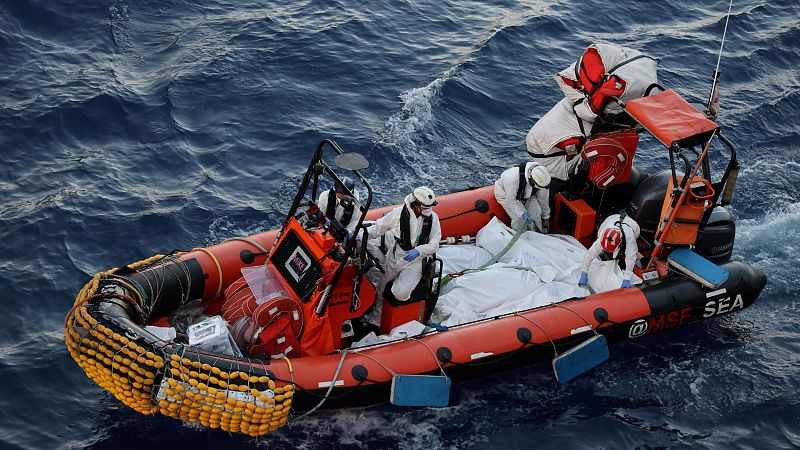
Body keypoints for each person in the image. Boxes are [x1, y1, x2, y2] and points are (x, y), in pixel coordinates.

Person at [363, 186, 441, 326]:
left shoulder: (433, 219)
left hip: (416, 261)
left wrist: (419, 251)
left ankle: (402, 285)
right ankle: (375, 320)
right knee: (381, 287)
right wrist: (361, 236)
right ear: (416, 204)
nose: (426, 211)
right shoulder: (398, 214)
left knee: (401, 294)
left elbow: (435, 244)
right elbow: (378, 228)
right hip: (396, 256)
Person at [578, 212, 641, 289]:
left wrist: (627, 278)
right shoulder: (602, 237)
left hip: (631, 225)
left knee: (630, 252)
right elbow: (590, 254)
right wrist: (584, 272)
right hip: (611, 219)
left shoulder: (629, 238)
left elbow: (631, 258)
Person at [494, 162, 552, 232]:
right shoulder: (512, 178)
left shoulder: (543, 181)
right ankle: (522, 238)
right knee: (519, 220)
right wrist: (522, 213)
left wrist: (546, 217)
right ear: (531, 180)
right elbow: (511, 200)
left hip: (528, 194)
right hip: (506, 195)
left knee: (536, 213)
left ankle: (538, 235)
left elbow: (543, 200)